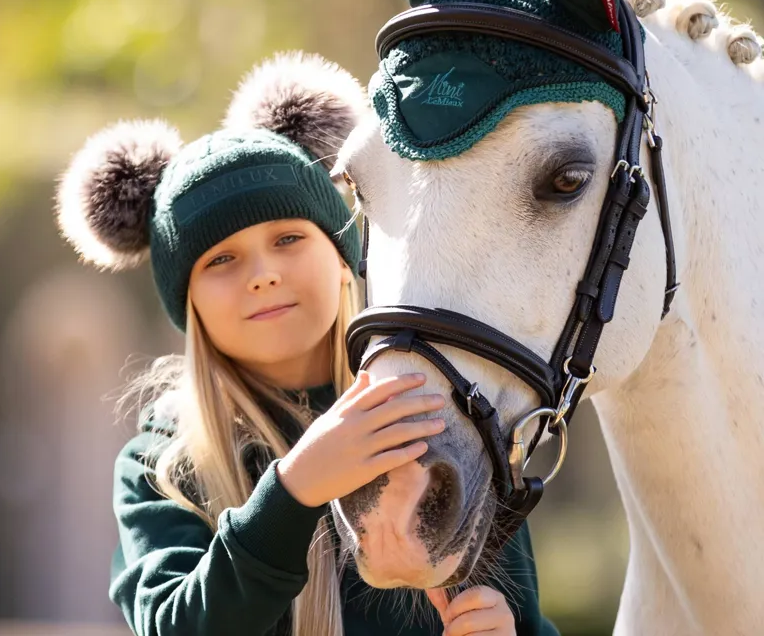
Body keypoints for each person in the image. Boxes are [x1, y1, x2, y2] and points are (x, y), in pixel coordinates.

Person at [55, 52, 557, 636]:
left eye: (288, 237)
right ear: (188, 304)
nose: (262, 274)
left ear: (346, 260)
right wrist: (293, 491)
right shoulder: (162, 465)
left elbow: (524, 614)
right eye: (221, 259)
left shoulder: (442, 417)